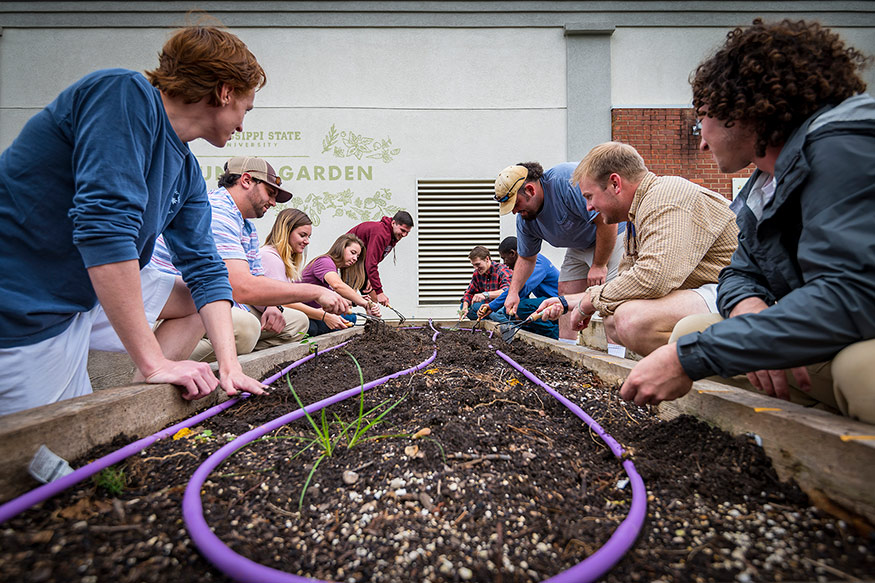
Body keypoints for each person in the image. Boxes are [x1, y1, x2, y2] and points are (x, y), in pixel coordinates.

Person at [0, 25, 272, 416]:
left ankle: (136, 402)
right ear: (225, 91)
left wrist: (231, 367)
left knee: (198, 296)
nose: (243, 124)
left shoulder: (185, 169)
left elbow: (206, 267)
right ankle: (148, 374)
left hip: (83, 296)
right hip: (26, 303)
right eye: (245, 109)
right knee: (48, 461)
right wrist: (154, 361)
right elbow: (104, 229)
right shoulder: (121, 95)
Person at [619, 19, 875, 424]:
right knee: (690, 329)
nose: (701, 139)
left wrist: (694, 358)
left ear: (744, 108)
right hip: (834, 328)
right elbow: (738, 271)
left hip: (858, 327)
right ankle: (797, 434)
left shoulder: (844, 148)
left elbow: (851, 295)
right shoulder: (765, 182)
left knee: (860, 374)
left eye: (704, 116)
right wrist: (748, 311)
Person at [536, 142, 738, 355]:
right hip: (710, 292)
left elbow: (654, 278)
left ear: (615, 183)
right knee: (614, 319)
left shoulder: (666, 198)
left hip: (742, 292)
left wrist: (588, 303)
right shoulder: (637, 214)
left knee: (632, 320)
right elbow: (628, 280)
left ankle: (709, 381)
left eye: (589, 196)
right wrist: (569, 301)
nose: (588, 207)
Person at [150, 156, 348, 361]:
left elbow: (256, 278)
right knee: (246, 328)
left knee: (296, 323)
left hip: (222, 301)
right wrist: (315, 291)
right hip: (181, 305)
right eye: (270, 193)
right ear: (246, 180)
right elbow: (242, 288)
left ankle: (241, 360)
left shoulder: (247, 227)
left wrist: (272, 305)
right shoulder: (216, 212)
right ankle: (162, 361)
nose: (272, 203)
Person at [494, 161, 625, 342]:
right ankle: (567, 348)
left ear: (530, 190)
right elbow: (526, 258)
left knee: (609, 298)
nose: (515, 212)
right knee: (564, 293)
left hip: (612, 233)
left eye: (516, 204)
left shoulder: (566, 182)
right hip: (580, 243)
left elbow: (604, 220)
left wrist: (599, 264)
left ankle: (615, 361)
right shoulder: (525, 220)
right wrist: (513, 292)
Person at [298, 233, 382, 337]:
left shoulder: (333, 268)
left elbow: (333, 295)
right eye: (353, 252)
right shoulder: (325, 261)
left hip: (316, 311)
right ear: (341, 248)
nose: (355, 258)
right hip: (301, 310)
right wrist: (364, 303)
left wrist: (355, 300)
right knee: (312, 328)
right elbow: (337, 285)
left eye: (357, 256)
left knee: (351, 318)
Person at [478, 236, 560, 340]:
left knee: (521, 307)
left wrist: (492, 305)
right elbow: (521, 291)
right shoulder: (527, 264)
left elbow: (520, 289)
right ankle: (535, 336)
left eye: (504, 258)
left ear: (513, 253)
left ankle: (554, 335)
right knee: (510, 310)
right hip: (548, 301)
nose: (505, 263)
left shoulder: (537, 262)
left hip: (559, 303)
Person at [348, 210, 414, 307]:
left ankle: (373, 320)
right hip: (350, 259)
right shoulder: (381, 233)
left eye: (407, 232)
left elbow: (373, 258)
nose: (404, 235)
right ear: (393, 223)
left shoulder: (393, 236)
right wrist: (380, 292)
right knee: (350, 294)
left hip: (362, 262)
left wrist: (371, 279)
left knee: (373, 297)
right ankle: (342, 318)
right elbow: (371, 263)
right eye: (402, 230)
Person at [459, 246, 512, 322]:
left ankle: (511, 328)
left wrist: (485, 294)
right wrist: (465, 307)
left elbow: (507, 291)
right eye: (473, 265)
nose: (475, 268)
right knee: (466, 307)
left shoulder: (502, 270)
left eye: (477, 264)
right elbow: (469, 293)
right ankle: (488, 324)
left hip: (502, 304)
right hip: (487, 304)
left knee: (495, 313)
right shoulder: (477, 274)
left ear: (487, 259)